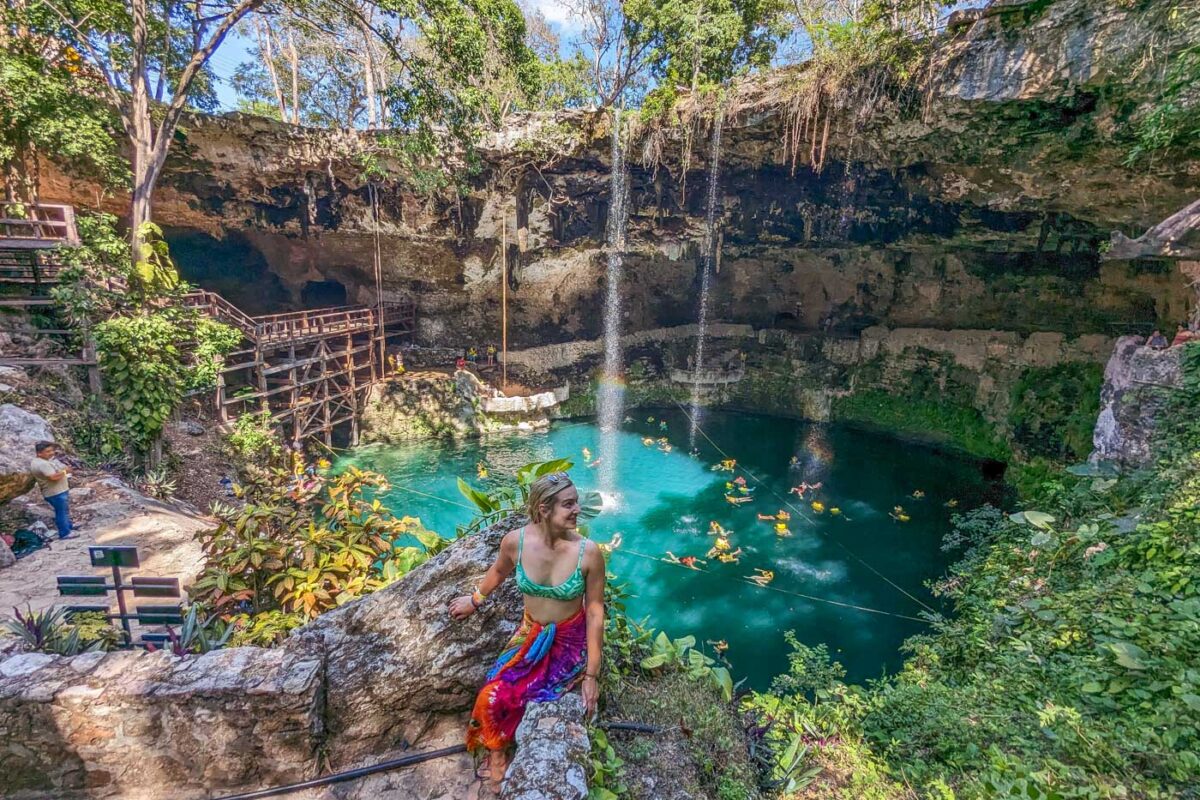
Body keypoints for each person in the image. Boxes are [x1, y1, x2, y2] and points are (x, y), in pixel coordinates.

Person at [449, 472, 606, 790]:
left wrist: (591, 676)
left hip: (569, 642)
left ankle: (507, 749)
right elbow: (498, 570)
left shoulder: (588, 553)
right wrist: (475, 600)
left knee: (532, 697)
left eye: (576, 502)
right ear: (544, 509)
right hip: (529, 634)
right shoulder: (515, 542)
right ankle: (497, 754)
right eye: (569, 504)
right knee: (491, 697)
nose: (578, 509)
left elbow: (594, 613)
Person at [30, 441, 74, 539]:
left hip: (57, 491)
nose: (51, 453)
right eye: (48, 451)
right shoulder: (42, 464)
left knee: (64, 510)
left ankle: (69, 527)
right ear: (39, 453)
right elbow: (53, 477)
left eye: (52, 450)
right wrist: (65, 471)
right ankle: (65, 533)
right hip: (55, 492)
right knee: (61, 512)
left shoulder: (40, 461)